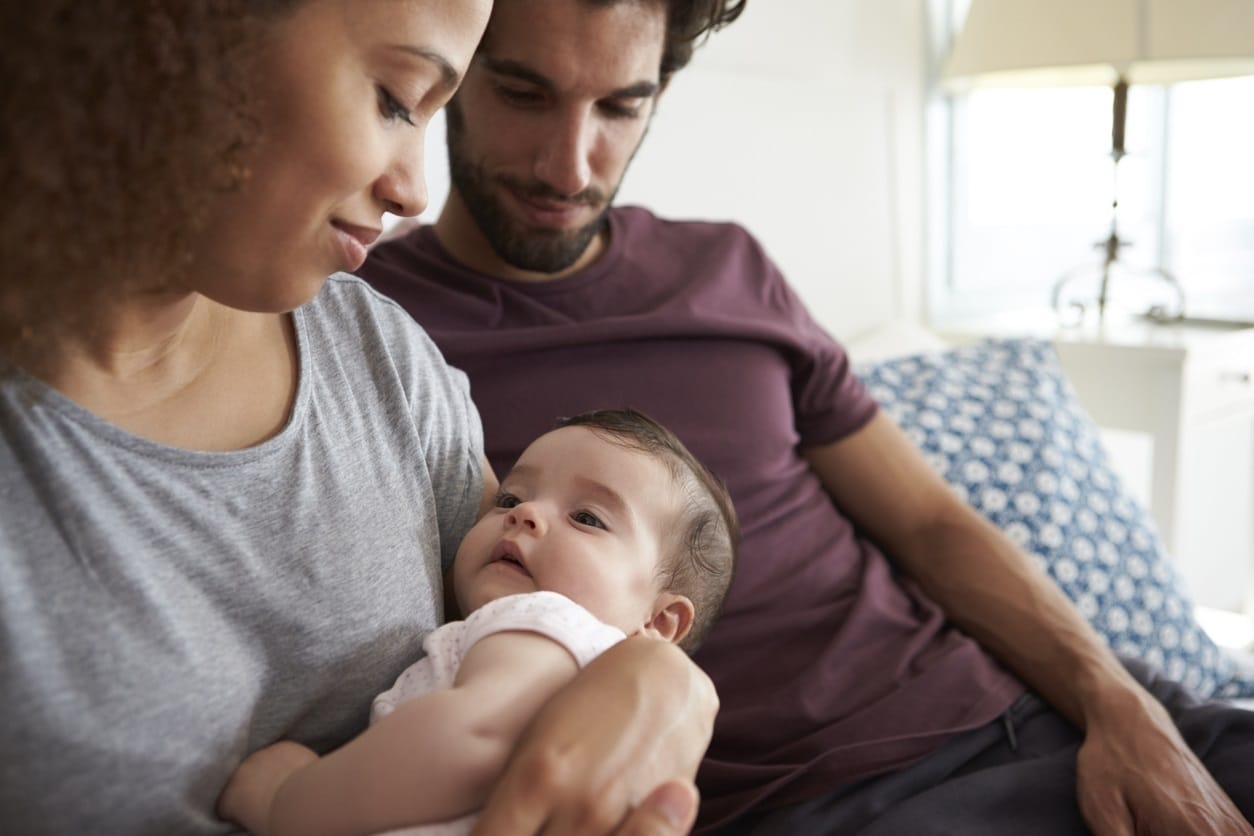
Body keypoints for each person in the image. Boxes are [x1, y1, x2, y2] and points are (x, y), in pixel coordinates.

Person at [358, 0, 1254, 833]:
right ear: (454, 70)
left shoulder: (729, 268)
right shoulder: (371, 326)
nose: (570, 162)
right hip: (821, 804)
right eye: (523, 91)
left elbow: (932, 524)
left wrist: (1119, 705)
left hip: (1034, 708)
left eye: (621, 107)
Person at [0, 3, 719, 834]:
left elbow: (556, 598)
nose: (414, 189)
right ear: (187, 38)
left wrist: (662, 681)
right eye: (396, 97)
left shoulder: (376, 356)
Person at [217, 408, 739, 836]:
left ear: (661, 621)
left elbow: (474, 741)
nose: (524, 514)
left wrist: (284, 801)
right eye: (510, 498)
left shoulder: (545, 619)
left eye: (587, 518)